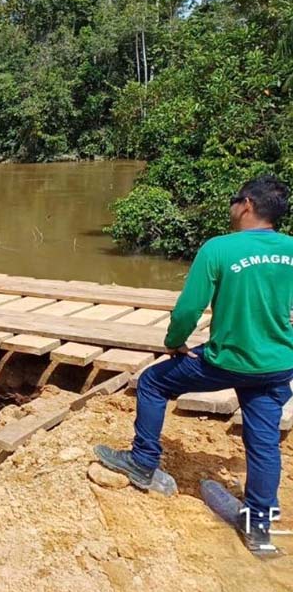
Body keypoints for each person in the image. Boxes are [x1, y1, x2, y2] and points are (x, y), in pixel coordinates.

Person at [95, 174, 293, 556]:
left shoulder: (219, 249)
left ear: (247, 204)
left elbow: (188, 309)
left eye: (235, 200)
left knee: (154, 383)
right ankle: (258, 527)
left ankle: (142, 461)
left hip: (228, 360)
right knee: (264, 444)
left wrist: (174, 343)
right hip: (278, 365)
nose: (232, 207)